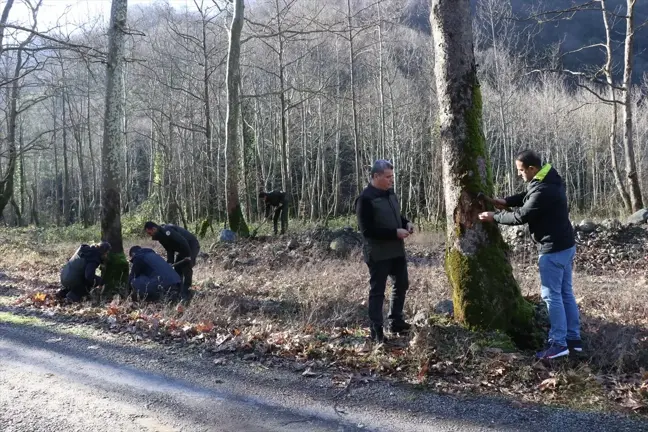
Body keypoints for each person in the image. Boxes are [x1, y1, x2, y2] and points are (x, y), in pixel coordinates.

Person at [478, 150, 581, 360]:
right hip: (565, 245)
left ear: (532, 169)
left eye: (521, 170)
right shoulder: (548, 177)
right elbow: (528, 197)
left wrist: (495, 217)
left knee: (552, 296)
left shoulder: (544, 189)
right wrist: (506, 201)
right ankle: (573, 340)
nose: (519, 174)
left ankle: (559, 343)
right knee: (565, 293)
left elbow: (523, 215)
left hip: (552, 250)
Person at [355, 160, 414, 343]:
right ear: (375, 176)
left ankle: (395, 321)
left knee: (402, 284)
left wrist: (405, 223)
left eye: (392, 176)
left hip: (396, 250)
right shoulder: (364, 199)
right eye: (388, 177)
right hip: (378, 253)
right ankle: (376, 331)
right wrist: (394, 233)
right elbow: (367, 231)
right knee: (378, 291)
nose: (391, 180)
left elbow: (396, 215)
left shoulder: (390, 194)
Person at [144, 221, 200, 302]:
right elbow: (169, 249)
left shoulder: (167, 230)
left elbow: (183, 241)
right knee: (177, 268)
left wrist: (188, 256)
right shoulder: (160, 236)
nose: (150, 235)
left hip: (191, 245)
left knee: (186, 267)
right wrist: (170, 262)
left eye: (149, 233)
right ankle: (178, 290)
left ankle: (187, 292)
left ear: (154, 229)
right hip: (183, 248)